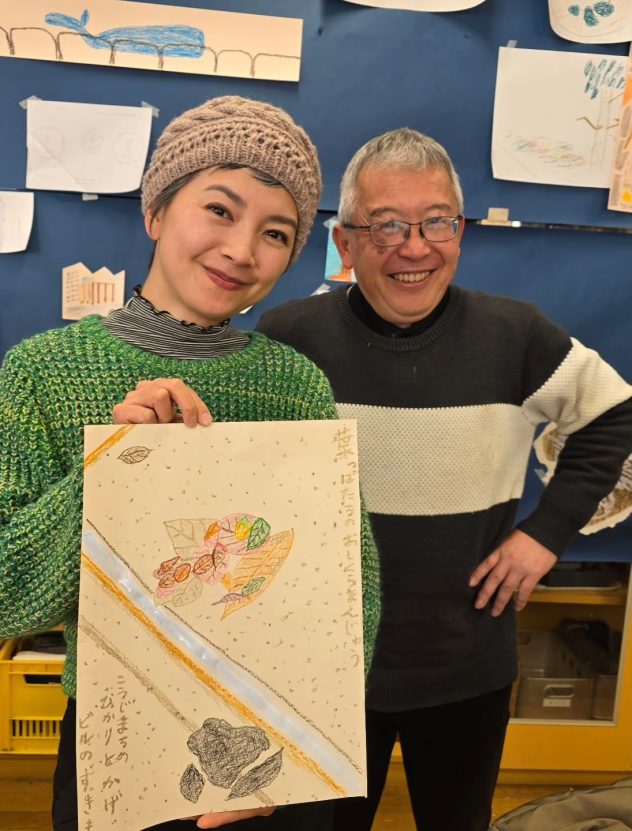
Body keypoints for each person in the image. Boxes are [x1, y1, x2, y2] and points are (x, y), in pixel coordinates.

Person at [0, 96, 381, 831]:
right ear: (155, 212)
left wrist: (300, 740)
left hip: (274, 743)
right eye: (219, 209)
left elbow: (346, 585)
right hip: (121, 734)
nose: (242, 249)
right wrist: (111, 472)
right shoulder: (42, 374)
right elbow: (9, 595)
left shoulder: (295, 385)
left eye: (276, 232)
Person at [256, 127, 632, 831]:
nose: (415, 247)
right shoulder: (288, 339)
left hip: (465, 664)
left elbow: (615, 414)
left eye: (436, 222)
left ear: (459, 234)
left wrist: (546, 534)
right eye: (386, 225)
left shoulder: (516, 335)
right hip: (321, 668)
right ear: (345, 244)